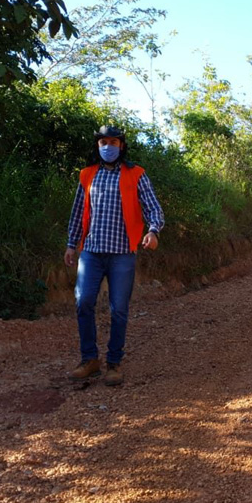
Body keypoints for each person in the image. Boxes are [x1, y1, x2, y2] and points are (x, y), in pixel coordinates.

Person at [64, 125, 164, 387]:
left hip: (122, 253)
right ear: (98, 146)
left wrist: (153, 231)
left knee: (118, 309)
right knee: (83, 301)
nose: (108, 146)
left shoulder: (136, 174)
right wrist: (71, 244)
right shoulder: (87, 175)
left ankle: (114, 363)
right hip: (92, 252)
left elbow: (154, 208)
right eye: (103, 142)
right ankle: (89, 360)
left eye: (114, 142)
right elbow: (77, 211)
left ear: (122, 146)